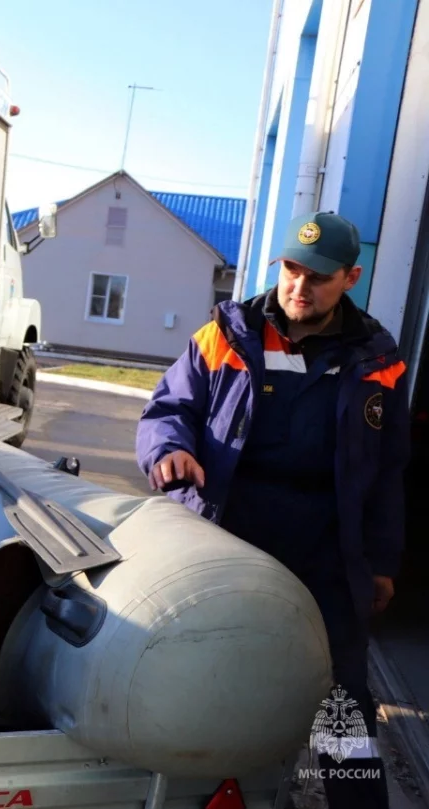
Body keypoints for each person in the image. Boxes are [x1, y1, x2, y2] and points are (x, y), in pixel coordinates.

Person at [136, 212, 408, 808]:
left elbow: (390, 472)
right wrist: (171, 451)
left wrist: (382, 561)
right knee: (205, 664)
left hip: (329, 547)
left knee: (342, 695)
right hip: (227, 534)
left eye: (317, 277)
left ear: (350, 278)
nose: (299, 288)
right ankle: (192, 787)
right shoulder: (225, 336)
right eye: (290, 270)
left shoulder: (377, 361)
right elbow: (167, 410)